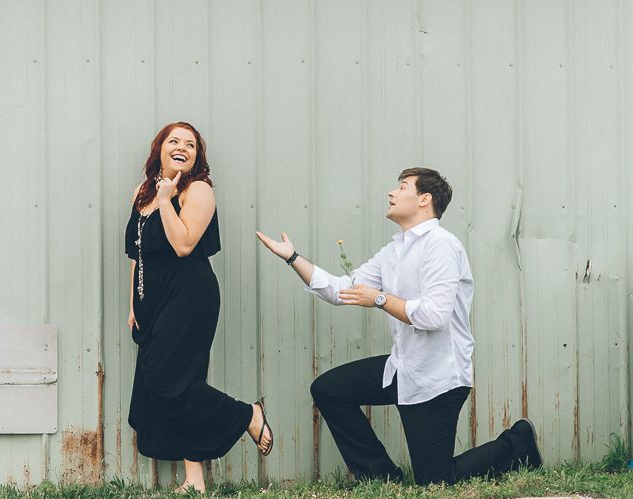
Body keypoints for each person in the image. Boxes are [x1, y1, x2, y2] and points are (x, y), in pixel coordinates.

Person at [255, 167, 541, 485]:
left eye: (401, 187)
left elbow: (434, 316)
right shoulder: (394, 250)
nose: (392, 193)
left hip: (438, 379)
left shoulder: (441, 246)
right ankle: (380, 476)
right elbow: (341, 289)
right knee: (329, 390)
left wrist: (380, 299)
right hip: (402, 369)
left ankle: (518, 443)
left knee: (435, 481)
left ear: (424, 199)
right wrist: (293, 257)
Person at [125, 122, 273, 494]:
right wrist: (133, 306)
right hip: (152, 300)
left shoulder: (198, 190)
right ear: (159, 148)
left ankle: (247, 415)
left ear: (196, 156)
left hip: (191, 297)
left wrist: (165, 200)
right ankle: (195, 481)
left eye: (190, 144)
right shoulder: (141, 192)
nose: (181, 147)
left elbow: (183, 245)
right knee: (181, 383)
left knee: (166, 378)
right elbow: (136, 255)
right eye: (173, 141)